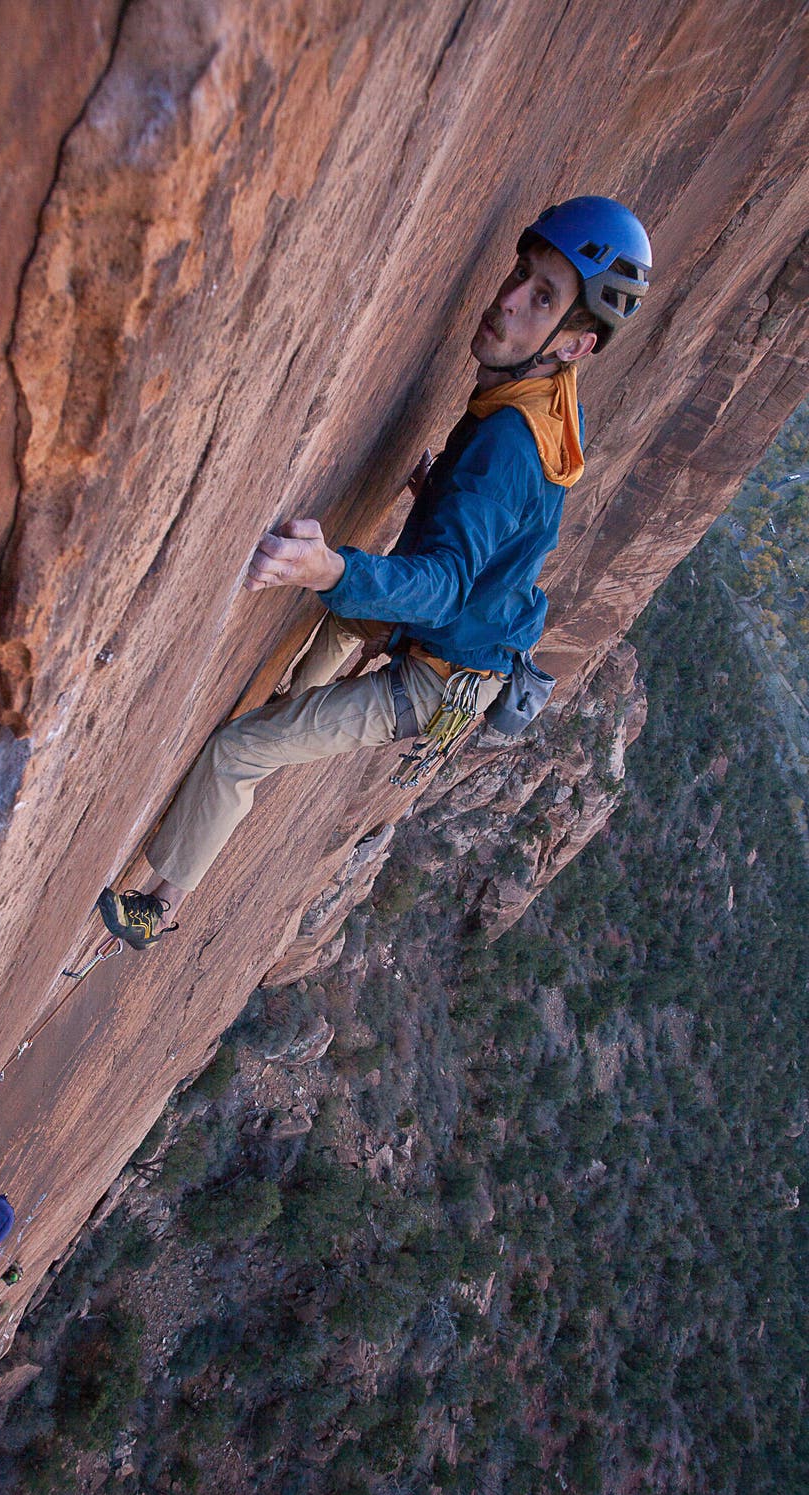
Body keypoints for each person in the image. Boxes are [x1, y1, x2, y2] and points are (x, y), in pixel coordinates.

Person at [98, 197, 651, 951]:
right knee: (304, 675)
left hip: (436, 677)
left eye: (543, 298)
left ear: (575, 346)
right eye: (523, 273)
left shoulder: (513, 443)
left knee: (239, 749)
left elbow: (448, 582)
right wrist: (443, 499)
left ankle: (155, 909)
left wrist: (327, 566)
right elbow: (514, 531)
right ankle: (281, 717)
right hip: (448, 636)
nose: (510, 300)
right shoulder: (550, 401)